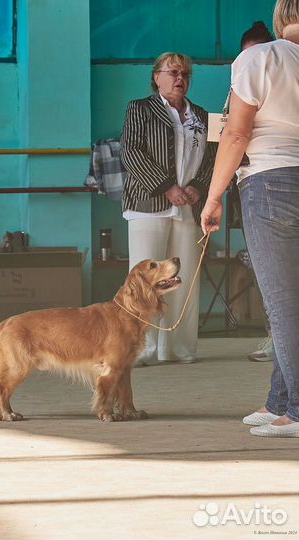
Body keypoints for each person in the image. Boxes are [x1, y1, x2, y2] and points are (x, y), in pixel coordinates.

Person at [201, 0, 299, 437]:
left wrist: (213, 195)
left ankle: (296, 409)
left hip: (269, 181)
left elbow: (236, 132)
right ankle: (280, 401)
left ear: (281, 18)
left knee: (282, 304)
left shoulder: (259, 57)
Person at [121, 52, 217, 366]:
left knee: (183, 278)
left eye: (185, 74)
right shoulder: (139, 109)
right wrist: (167, 187)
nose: (180, 79)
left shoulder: (202, 115)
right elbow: (131, 153)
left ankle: (179, 349)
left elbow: (213, 157)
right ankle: (142, 349)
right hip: (147, 206)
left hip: (188, 207)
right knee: (144, 282)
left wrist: (197, 187)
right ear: (156, 77)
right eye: (173, 72)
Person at [238, 21, 275, 363]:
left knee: (278, 285)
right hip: (255, 181)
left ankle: (288, 404)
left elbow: (234, 137)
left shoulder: (279, 76)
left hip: (267, 184)